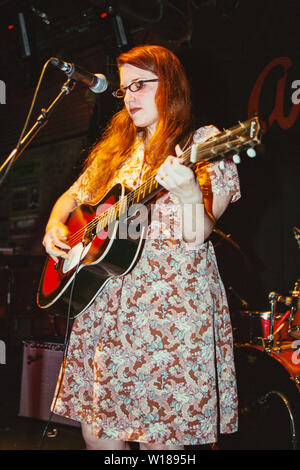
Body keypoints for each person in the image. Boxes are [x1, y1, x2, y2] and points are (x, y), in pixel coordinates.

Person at [42, 44, 240, 450]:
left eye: (139, 85)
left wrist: (187, 193)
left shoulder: (201, 143)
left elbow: (198, 233)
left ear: (168, 86)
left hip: (169, 314)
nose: (129, 96)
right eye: (124, 89)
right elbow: (70, 198)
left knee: (160, 440)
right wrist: (53, 227)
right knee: (97, 431)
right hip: (106, 307)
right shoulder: (116, 153)